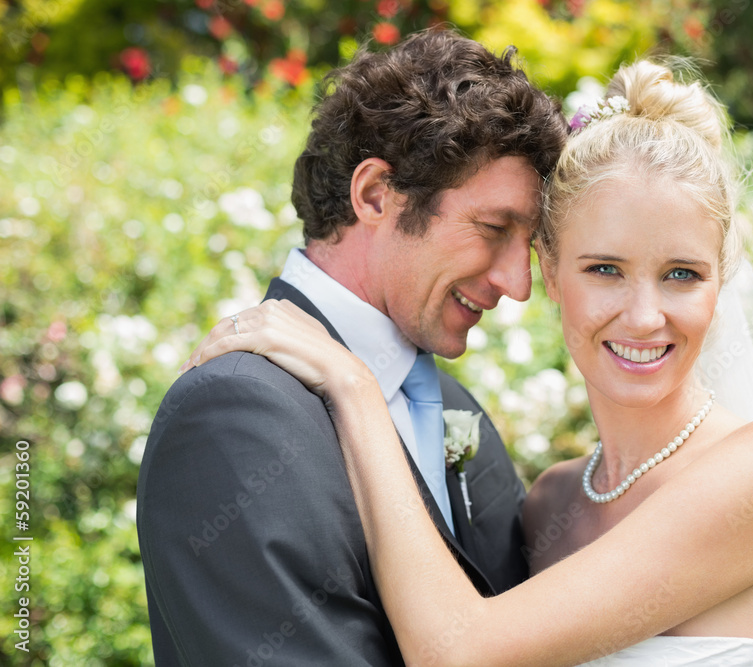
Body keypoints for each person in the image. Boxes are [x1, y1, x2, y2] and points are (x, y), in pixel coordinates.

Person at [189, 59, 753, 665]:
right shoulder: (545, 506)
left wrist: (354, 385)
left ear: (720, 281)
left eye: (682, 274)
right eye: (606, 269)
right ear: (552, 274)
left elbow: (458, 649)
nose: (646, 315)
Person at [136, 29, 567, 666]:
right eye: (494, 228)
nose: (519, 284)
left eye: (527, 245)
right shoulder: (231, 419)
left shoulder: (454, 408)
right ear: (374, 195)